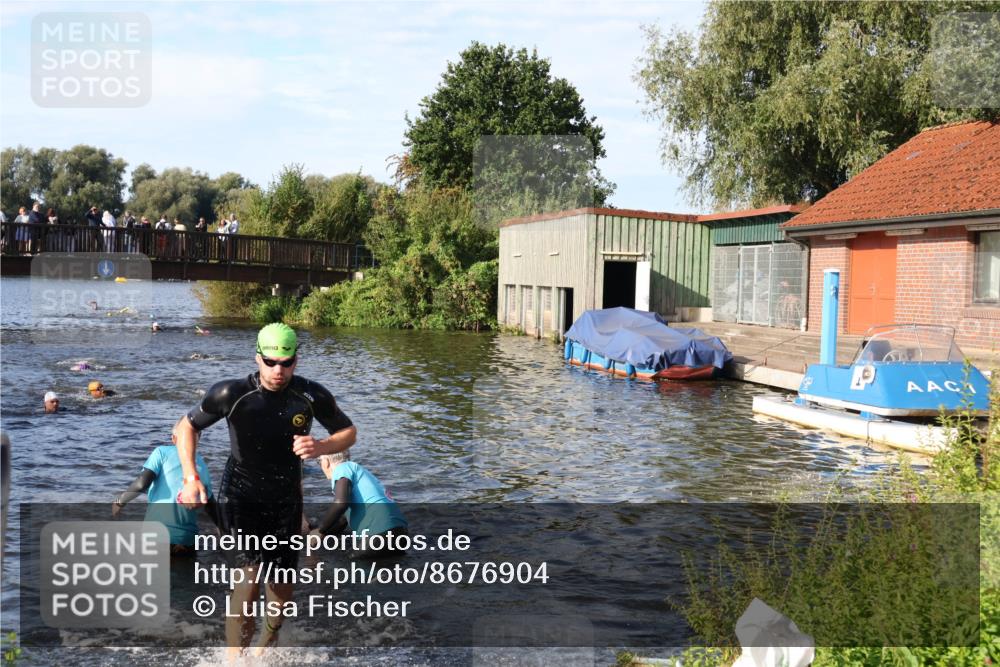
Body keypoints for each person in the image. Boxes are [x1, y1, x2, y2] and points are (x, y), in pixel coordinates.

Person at [176, 323, 356, 657]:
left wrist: (321, 446)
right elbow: (186, 426)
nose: (278, 370)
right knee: (249, 578)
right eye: (271, 361)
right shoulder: (231, 394)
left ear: (296, 360)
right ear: (257, 357)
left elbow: (348, 431)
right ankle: (234, 659)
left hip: (285, 499)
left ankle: (263, 649)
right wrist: (190, 477)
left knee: (281, 587)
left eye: (286, 362)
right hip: (240, 495)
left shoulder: (310, 396)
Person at [112, 418, 220, 556]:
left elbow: (141, 484)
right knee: (184, 576)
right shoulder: (202, 465)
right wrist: (223, 534)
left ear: (174, 438)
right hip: (187, 541)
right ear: (197, 440)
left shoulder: (162, 452)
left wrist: (119, 502)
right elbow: (212, 507)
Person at [311, 450, 408, 560]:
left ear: (326, 461)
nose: (320, 465)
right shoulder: (360, 472)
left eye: (319, 461)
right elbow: (342, 519)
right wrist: (324, 534)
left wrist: (320, 531)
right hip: (400, 533)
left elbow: (341, 504)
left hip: (378, 534)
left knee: (349, 565)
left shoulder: (342, 468)